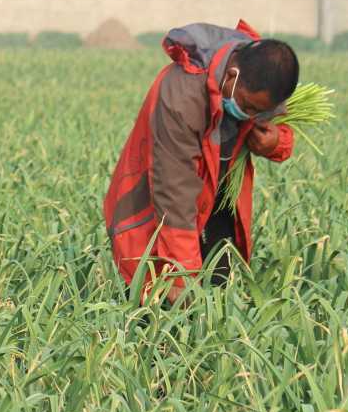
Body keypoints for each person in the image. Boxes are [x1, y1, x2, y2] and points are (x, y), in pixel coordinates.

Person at [103, 20, 299, 302]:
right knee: (151, 292)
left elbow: (280, 124)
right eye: (248, 106)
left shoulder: (261, 80)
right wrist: (180, 273)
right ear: (231, 76)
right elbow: (174, 189)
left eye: (260, 111)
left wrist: (277, 142)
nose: (251, 115)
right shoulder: (182, 97)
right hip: (159, 196)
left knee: (218, 289)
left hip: (218, 192)